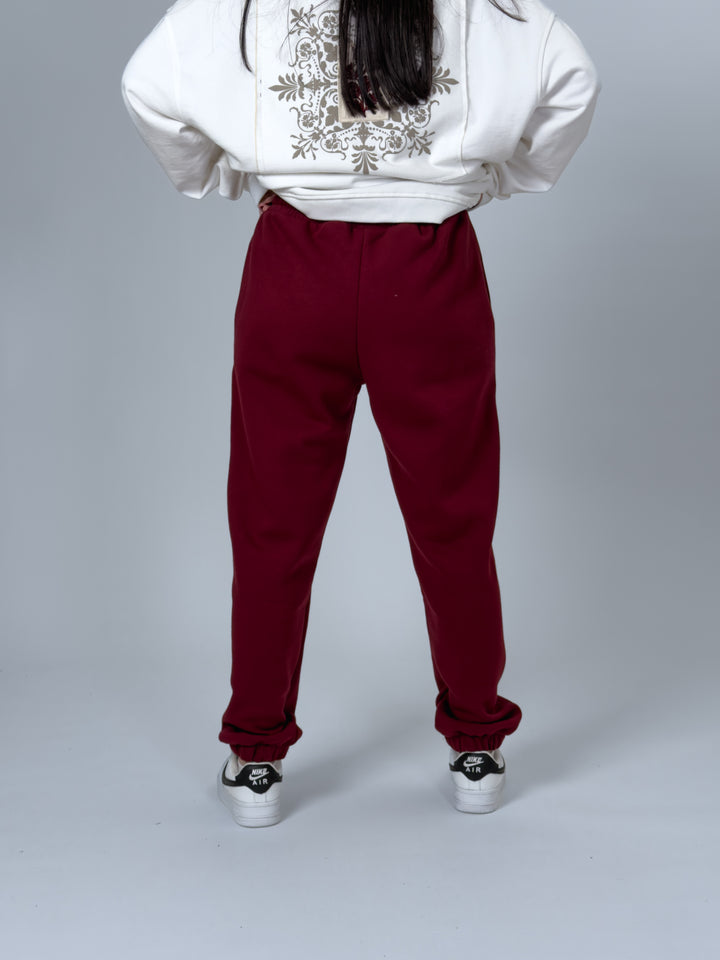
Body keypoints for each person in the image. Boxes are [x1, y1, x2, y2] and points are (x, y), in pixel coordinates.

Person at [120, 0, 601, 827]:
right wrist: (491, 177)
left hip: (295, 263)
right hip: (430, 266)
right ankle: (477, 746)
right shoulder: (481, 7)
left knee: (272, 521)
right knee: (453, 518)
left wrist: (225, 172)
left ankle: (256, 754)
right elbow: (572, 80)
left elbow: (147, 84)